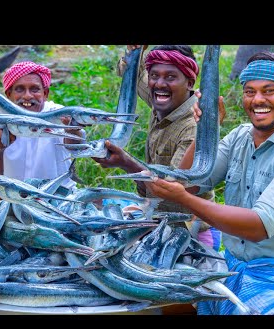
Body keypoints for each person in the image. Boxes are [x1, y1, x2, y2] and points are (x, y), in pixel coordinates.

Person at [146, 51, 274, 315]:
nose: (258, 100)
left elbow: (259, 226)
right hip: (230, 267)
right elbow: (191, 182)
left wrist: (184, 199)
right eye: (249, 92)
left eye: (269, 91)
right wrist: (206, 128)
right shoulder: (239, 137)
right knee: (165, 298)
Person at [93, 45, 225, 251]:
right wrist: (136, 50)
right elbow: (132, 73)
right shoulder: (165, 99)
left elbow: (169, 190)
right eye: (154, 75)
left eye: (170, 77)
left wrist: (125, 162)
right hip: (157, 222)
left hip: (191, 236)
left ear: (189, 83)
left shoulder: (193, 127)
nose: (159, 84)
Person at [0, 60, 85, 188]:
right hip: (13, 199)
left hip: (56, 199)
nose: (27, 96)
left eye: (35, 89)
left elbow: (76, 146)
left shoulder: (58, 115)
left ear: (45, 94)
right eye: (20, 89)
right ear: (9, 94)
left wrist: (72, 130)